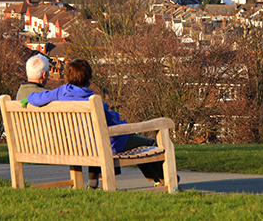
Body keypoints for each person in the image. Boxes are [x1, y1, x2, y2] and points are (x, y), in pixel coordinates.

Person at [25, 59, 166, 189]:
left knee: (94, 140)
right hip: (105, 145)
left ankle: (93, 184)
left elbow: (37, 98)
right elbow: (115, 122)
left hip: (80, 144)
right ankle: (163, 178)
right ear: (89, 79)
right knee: (149, 143)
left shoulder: (60, 92)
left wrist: (28, 98)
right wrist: (127, 127)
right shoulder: (94, 101)